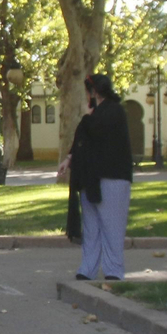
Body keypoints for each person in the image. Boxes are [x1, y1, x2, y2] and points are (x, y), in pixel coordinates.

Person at [59, 73, 133, 281]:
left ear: (94, 91)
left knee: (112, 226)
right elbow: (82, 138)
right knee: (91, 227)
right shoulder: (94, 115)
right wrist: (69, 159)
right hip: (90, 177)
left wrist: (87, 116)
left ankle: (113, 270)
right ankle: (88, 268)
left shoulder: (114, 112)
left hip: (112, 177)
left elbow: (95, 132)